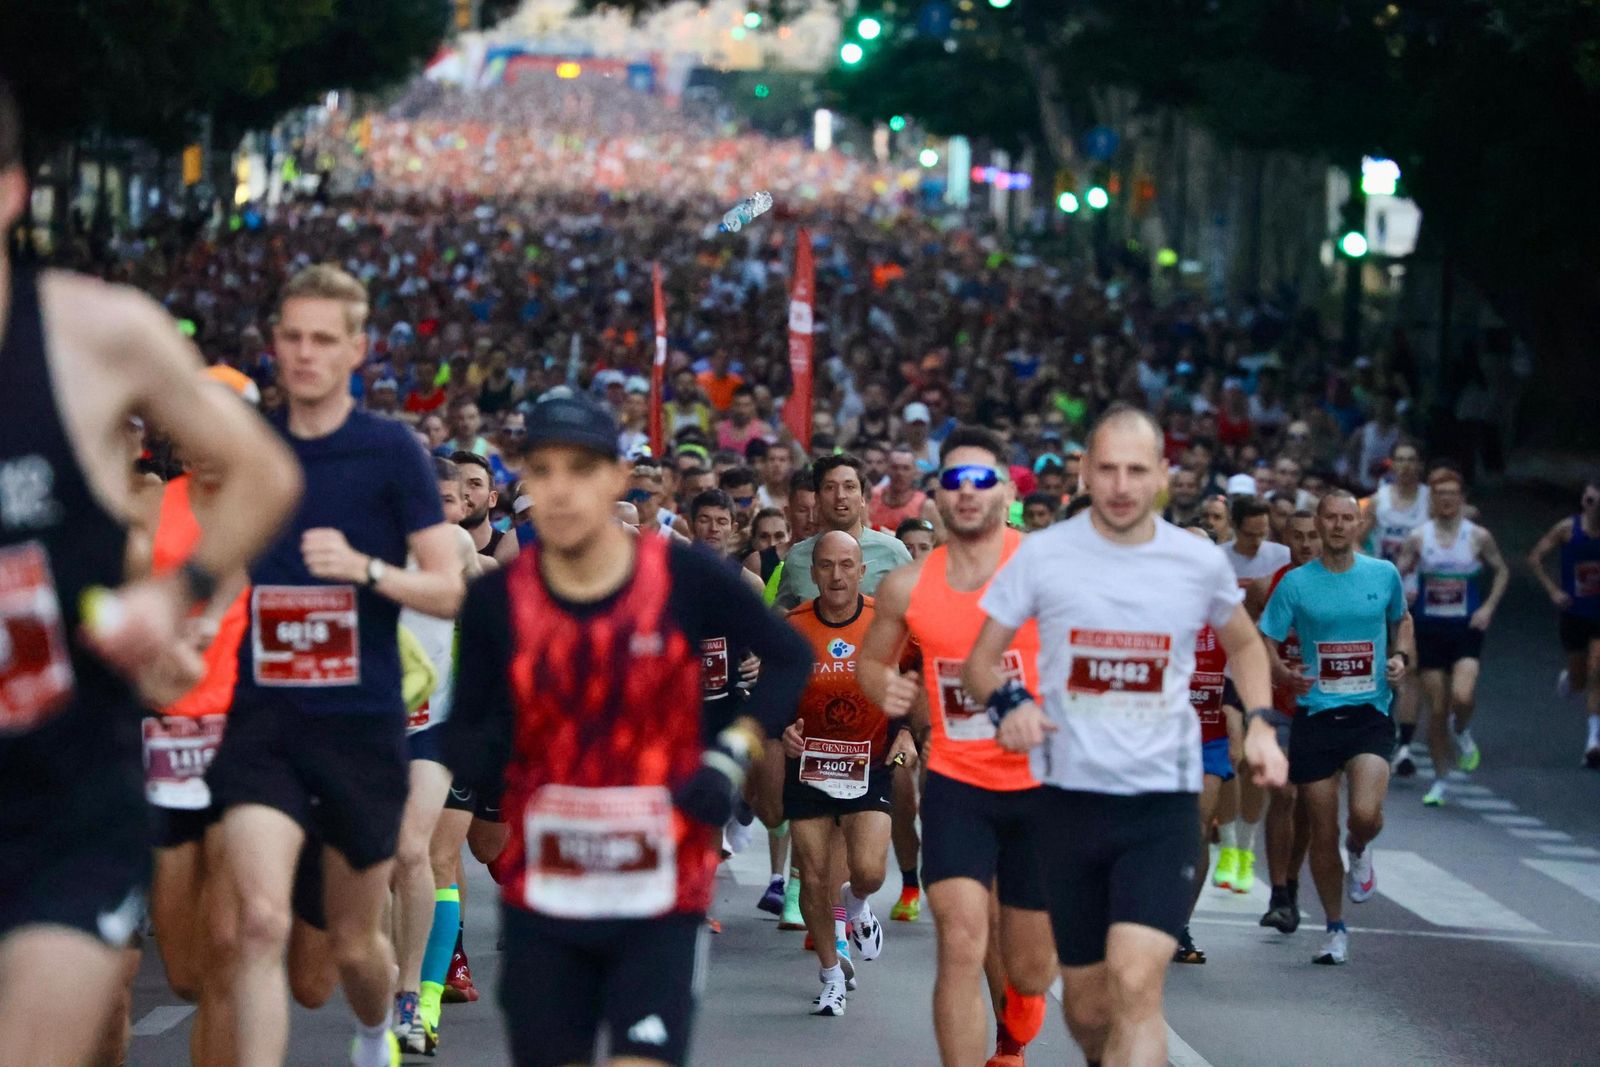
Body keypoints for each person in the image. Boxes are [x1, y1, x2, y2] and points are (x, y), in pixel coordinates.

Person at [0, 77, 301, 1067]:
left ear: (11, 193)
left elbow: (262, 469)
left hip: (59, 796)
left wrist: (175, 592)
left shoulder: (93, 333)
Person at [439, 393, 811, 1066]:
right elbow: (470, 732)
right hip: (546, 895)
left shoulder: (682, 578)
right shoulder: (500, 598)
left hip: (659, 892)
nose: (561, 489)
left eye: (581, 469)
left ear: (617, 478)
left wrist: (730, 753)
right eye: (543, 470)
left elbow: (789, 658)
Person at [963, 406, 1287, 1066]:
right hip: (1068, 805)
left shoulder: (1194, 560)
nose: (1120, 484)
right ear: (1085, 470)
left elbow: (1246, 646)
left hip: (1159, 805)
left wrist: (1258, 723)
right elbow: (979, 663)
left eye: (1136, 470)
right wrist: (1010, 701)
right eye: (1107, 468)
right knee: (1087, 1010)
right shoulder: (1044, 555)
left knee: (1137, 984)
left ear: (1163, 475)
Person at [205, 264, 467, 1067]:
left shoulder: (390, 451)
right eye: (292, 337)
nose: (305, 353)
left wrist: (365, 569)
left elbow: (449, 588)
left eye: (324, 339)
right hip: (264, 721)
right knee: (258, 921)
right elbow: (219, 569)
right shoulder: (251, 447)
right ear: (274, 344)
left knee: (354, 946)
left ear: (357, 348)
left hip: (360, 727)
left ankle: (374, 1029)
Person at [858, 427, 1054, 1067]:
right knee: (961, 945)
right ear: (937, 494)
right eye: (954, 480)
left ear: (1006, 492)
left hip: (1043, 785)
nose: (967, 492)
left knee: (1031, 966)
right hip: (958, 784)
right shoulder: (907, 586)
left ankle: (1024, 1000)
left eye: (982, 480)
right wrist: (883, 686)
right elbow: (870, 661)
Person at [1259, 490, 1415, 966]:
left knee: (1364, 814)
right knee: (1321, 829)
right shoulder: (1296, 583)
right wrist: (1282, 674)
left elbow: (1402, 620)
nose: (1339, 526)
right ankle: (1334, 928)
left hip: (1369, 712)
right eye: (1331, 518)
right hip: (1316, 716)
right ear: (1321, 523)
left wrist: (1400, 657)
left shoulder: (1382, 574)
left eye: (1348, 518)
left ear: (1358, 525)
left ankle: (1360, 847)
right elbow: (1265, 636)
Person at [781, 531, 916, 1016]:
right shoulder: (794, 626)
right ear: (813, 572)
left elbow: (915, 675)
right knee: (814, 878)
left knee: (870, 871)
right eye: (826, 565)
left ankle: (856, 905)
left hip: (869, 762)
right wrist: (783, 730)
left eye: (846, 565)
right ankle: (831, 975)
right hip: (809, 765)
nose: (836, 576)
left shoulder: (886, 622)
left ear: (862, 571)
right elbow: (774, 691)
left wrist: (907, 733)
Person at [392, 458, 483, 1054]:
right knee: (382, 868)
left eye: (452, 500)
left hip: (437, 724)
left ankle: (417, 999)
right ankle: (387, 991)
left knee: (420, 852)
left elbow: (483, 601)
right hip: (374, 725)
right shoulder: (362, 544)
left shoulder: (455, 544)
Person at [1394, 468, 1509, 805]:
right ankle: (1441, 780)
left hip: (1464, 629)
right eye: (1440, 494)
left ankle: (1463, 730)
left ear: (1461, 499)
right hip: (1429, 630)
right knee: (1437, 710)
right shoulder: (1419, 537)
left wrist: (1488, 607)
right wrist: (1402, 593)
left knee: (1462, 694)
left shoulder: (1478, 536)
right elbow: (1396, 572)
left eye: (1452, 494)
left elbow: (1502, 570)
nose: (1446, 499)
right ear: (1433, 500)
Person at [1248, 510, 1321, 934]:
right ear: (1285, 539)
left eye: (1313, 536)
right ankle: (1277, 893)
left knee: (1311, 802)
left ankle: (1291, 882)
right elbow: (1250, 640)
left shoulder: (1339, 584)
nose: (1307, 544)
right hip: (1279, 704)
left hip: (1324, 705)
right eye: (1299, 536)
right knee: (1285, 793)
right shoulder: (1266, 586)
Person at [1212, 496, 1289, 895]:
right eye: (1249, 534)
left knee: (1255, 765)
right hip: (1224, 668)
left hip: (1264, 669)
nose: (1257, 542)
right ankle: (1227, 847)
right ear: (1234, 527)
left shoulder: (1282, 557)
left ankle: (1246, 846)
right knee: (1232, 756)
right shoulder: (1217, 560)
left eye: (1263, 533)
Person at [1175, 527, 1244, 967]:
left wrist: (1240, 721)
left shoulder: (1226, 610)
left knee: (1197, 827)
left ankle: (1179, 923)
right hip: (1155, 738)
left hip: (1210, 734)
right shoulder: (1152, 602)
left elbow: (1244, 662)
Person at [1360, 441, 1430, 776]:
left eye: (1411, 459)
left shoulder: (1430, 500)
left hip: (1419, 592)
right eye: (1399, 459)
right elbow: (1356, 538)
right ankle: (1376, 728)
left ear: (1419, 464)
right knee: (1381, 665)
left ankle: (1404, 746)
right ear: (1392, 465)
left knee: (1410, 666)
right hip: (1381, 593)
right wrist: (1369, 569)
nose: (1405, 465)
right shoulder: (1380, 500)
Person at [773, 454, 912, 611]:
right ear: (817, 499)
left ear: (862, 498)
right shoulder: (797, 556)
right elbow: (782, 615)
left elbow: (917, 611)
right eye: (830, 488)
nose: (840, 496)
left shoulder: (893, 552)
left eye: (849, 487)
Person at [1527, 474, 1600, 768]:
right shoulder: (1568, 529)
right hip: (1574, 613)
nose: (1593, 506)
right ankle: (1571, 678)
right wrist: (1553, 590)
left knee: (1598, 670)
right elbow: (1535, 557)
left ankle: (1593, 741)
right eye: (1589, 499)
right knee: (1581, 677)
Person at [454, 451, 520, 569]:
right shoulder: (429, 547)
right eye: (456, 484)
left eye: (475, 484)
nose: (464, 492)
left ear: (492, 498)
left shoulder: (511, 551)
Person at [869, 446, 929, 533]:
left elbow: (938, 538)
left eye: (906, 468)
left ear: (915, 471)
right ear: (887, 469)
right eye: (895, 467)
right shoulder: (871, 496)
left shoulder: (924, 503)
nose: (900, 473)